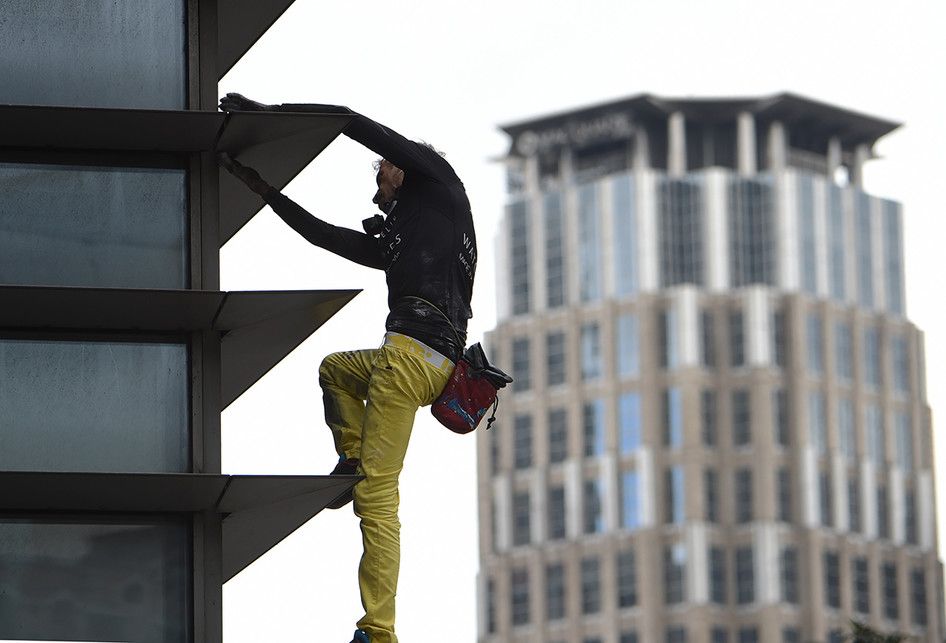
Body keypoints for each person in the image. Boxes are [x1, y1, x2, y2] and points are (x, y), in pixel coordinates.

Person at [218, 93, 476, 643]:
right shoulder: (405, 234)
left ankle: (379, 631)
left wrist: (272, 113)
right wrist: (265, 192)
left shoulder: (438, 183)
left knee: (378, 498)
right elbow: (323, 236)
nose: (376, 183)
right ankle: (350, 456)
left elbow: (353, 123)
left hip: (410, 359)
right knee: (335, 369)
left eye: (382, 172)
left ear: (403, 167)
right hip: (427, 363)